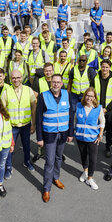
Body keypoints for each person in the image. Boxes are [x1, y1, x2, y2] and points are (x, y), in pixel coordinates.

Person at [36, 74, 74, 202]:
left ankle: (56, 178)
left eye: (58, 82)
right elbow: (39, 118)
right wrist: (39, 138)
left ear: (62, 83)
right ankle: (46, 188)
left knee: (59, 158)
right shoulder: (43, 96)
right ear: (50, 83)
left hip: (63, 133)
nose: (56, 84)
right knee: (50, 161)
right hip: (49, 134)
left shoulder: (67, 95)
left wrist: (70, 133)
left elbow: (70, 115)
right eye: (54, 82)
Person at [2, 69, 37, 175]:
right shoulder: (6, 91)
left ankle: (27, 162)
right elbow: (2, 110)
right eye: (13, 78)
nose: (16, 80)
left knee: (26, 146)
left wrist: (33, 124)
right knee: (10, 148)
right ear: (10, 79)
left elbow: (34, 107)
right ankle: (8, 167)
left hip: (26, 125)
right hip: (12, 126)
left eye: (18, 77)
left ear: (21, 78)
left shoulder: (28, 90)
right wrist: (5, 126)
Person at [74, 87, 105, 190]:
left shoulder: (98, 108)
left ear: (94, 97)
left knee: (93, 159)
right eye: (87, 95)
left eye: (91, 96)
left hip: (92, 138)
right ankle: (85, 172)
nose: (89, 98)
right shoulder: (79, 106)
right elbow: (75, 120)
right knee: (83, 156)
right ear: (84, 96)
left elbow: (102, 122)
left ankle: (90, 178)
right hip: (80, 137)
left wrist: (100, 135)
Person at [94, 59, 112, 158]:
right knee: (96, 128)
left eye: (107, 67)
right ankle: (94, 145)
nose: (104, 69)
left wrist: (107, 109)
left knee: (109, 130)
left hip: (108, 111)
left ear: (110, 68)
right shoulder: (95, 78)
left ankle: (108, 147)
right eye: (103, 67)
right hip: (97, 109)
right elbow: (92, 93)